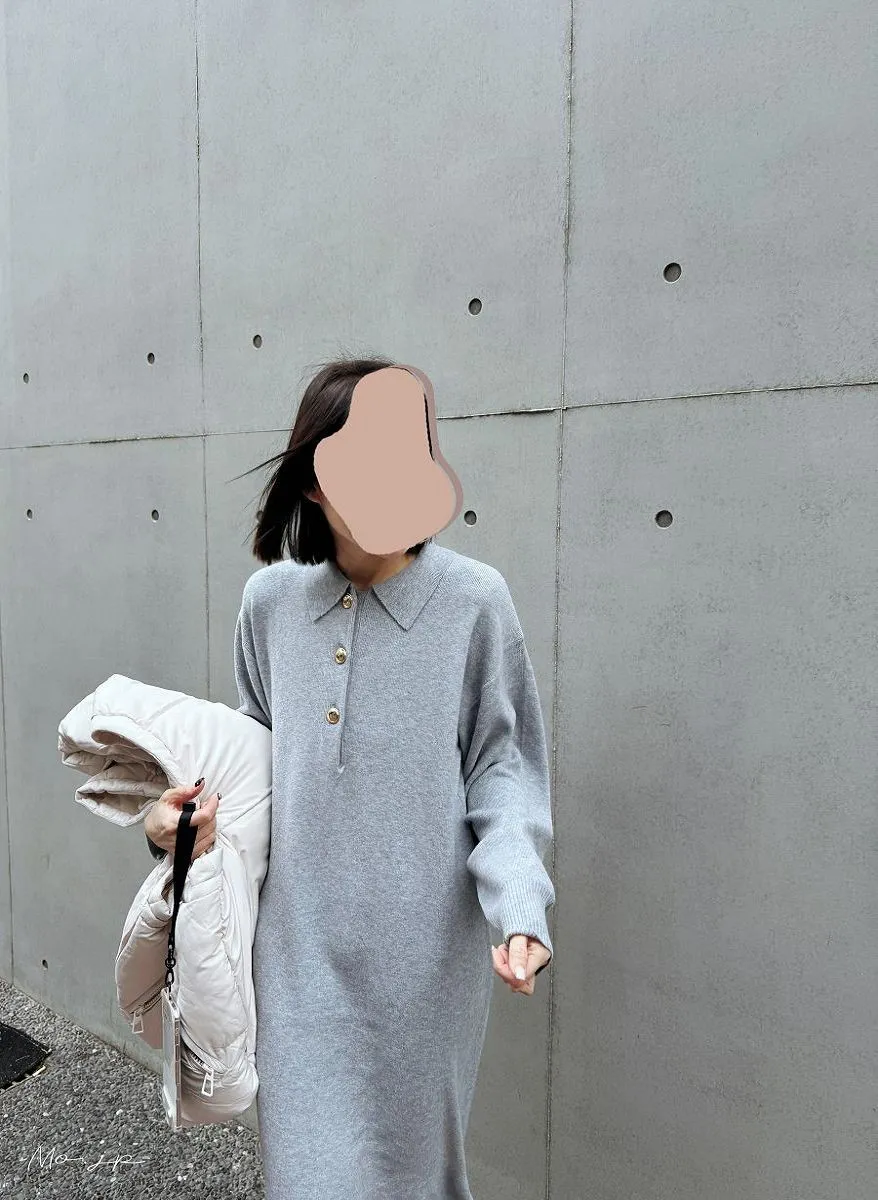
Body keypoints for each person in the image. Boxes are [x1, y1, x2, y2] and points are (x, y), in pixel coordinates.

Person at [144, 356, 556, 1199]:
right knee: (308, 1178)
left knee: (418, 1177)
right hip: (296, 961)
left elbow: (501, 770)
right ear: (313, 483)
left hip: (425, 969)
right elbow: (252, 767)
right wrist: (177, 828)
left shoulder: (475, 601)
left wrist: (519, 905)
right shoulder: (269, 603)